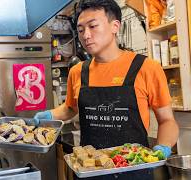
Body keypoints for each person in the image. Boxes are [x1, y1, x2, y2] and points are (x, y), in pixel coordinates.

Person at [34, 0, 179, 179]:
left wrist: (162, 147)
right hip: (90, 171)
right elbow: (70, 108)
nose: (86, 35)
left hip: (134, 169)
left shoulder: (146, 68)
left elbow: (167, 121)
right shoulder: (78, 71)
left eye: (93, 26)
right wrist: (48, 115)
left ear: (115, 26)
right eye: (80, 30)